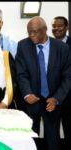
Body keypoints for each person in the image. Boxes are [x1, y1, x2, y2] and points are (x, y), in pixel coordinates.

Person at [15, 16, 71, 150]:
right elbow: (21, 74)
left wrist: (57, 99)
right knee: (30, 141)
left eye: (35, 32)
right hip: (31, 101)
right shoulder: (23, 45)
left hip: (53, 101)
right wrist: (27, 93)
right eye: (29, 32)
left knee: (53, 140)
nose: (31, 35)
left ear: (45, 30)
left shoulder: (62, 48)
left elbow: (68, 77)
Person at [52, 16, 71, 149]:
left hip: (70, 96)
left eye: (60, 25)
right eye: (54, 26)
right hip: (52, 97)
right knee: (52, 133)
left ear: (66, 27)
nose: (56, 28)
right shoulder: (49, 44)